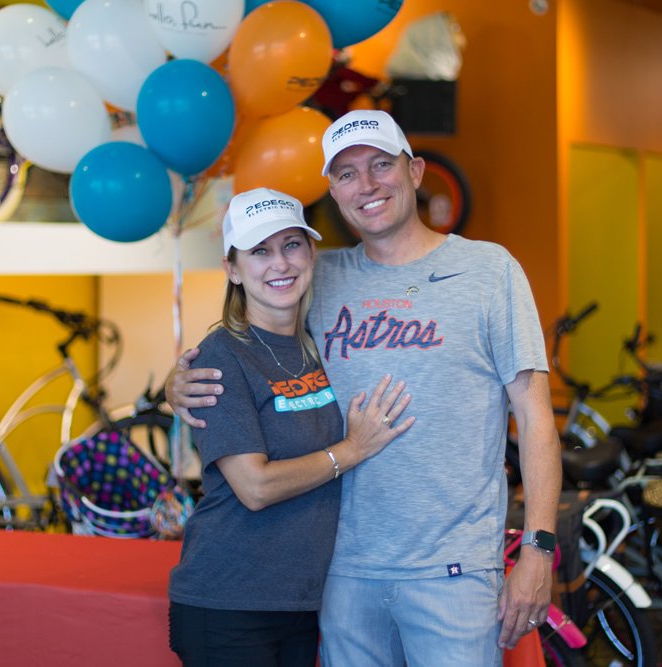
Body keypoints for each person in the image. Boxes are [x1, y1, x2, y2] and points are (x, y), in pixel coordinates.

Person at [167, 110, 562, 666]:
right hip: (341, 574)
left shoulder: (488, 271)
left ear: (416, 171)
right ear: (333, 190)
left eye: (381, 164)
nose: (367, 184)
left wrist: (539, 550)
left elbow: (537, 419)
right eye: (347, 173)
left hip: (454, 572)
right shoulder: (316, 277)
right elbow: (245, 343)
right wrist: (176, 382)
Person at [168, 186, 415, 667]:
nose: (279, 263)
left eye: (291, 245)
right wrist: (351, 450)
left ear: (311, 252)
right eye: (259, 251)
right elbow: (254, 487)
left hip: (300, 601)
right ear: (233, 269)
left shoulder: (319, 343)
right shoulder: (223, 355)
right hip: (229, 602)